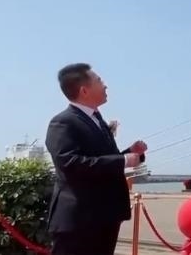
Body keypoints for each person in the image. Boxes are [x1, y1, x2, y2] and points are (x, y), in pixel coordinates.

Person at [45, 63, 148, 255]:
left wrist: (130, 153)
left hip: (105, 216)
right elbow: (70, 163)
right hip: (79, 221)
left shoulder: (97, 120)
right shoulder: (63, 122)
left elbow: (101, 160)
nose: (105, 85)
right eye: (99, 80)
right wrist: (124, 160)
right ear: (84, 90)